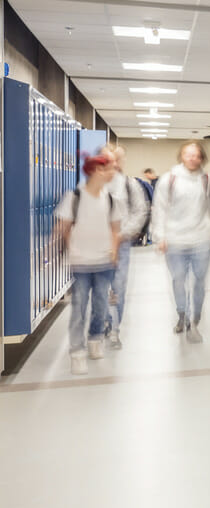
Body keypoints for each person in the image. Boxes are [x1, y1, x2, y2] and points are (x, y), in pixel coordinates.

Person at [54, 154, 122, 375]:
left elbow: (115, 229)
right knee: (79, 308)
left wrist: (114, 253)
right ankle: (77, 351)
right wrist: (67, 248)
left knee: (101, 306)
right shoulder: (73, 197)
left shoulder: (111, 199)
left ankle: (95, 339)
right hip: (81, 263)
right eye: (108, 168)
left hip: (104, 262)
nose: (112, 172)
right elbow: (63, 227)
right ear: (95, 171)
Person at [150, 140, 210, 343]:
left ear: (202, 158)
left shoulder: (208, 180)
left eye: (196, 154)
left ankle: (194, 320)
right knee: (179, 279)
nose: (192, 158)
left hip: (201, 240)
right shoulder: (169, 179)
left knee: (199, 281)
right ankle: (182, 313)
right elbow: (160, 209)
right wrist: (160, 236)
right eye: (188, 154)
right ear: (181, 156)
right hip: (175, 241)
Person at [101, 144, 150, 347]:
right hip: (97, 243)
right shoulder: (94, 183)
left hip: (120, 244)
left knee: (118, 286)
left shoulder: (130, 185)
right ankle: (105, 319)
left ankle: (114, 329)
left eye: (115, 160)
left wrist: (124, 233)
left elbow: (140, 211)